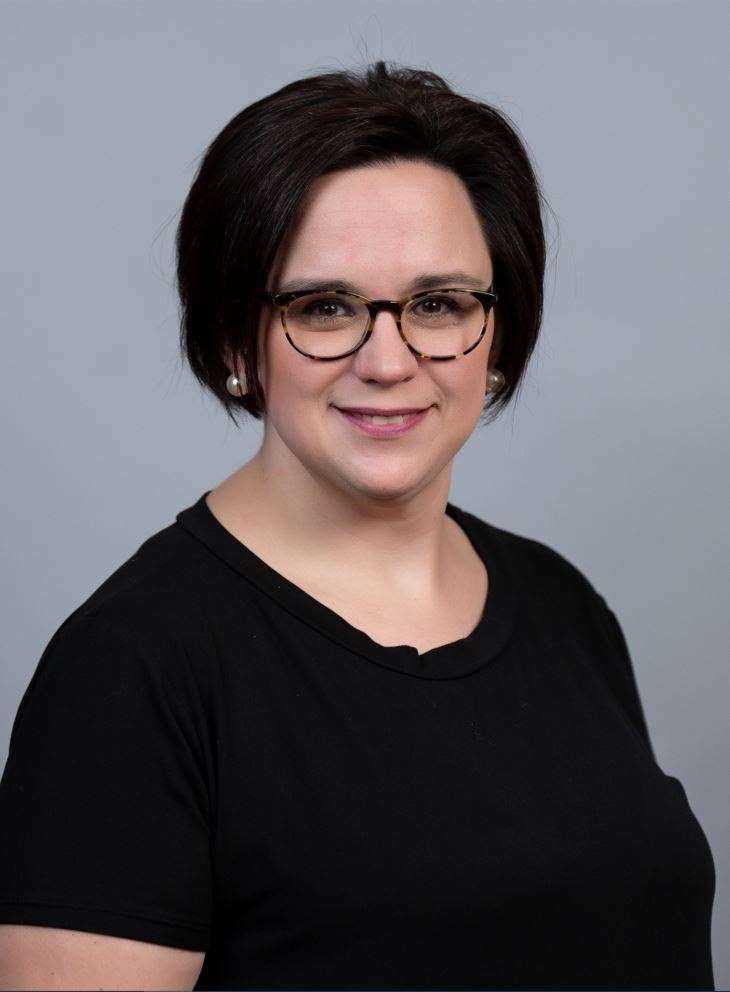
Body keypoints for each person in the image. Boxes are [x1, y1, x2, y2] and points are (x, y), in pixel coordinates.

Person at [0, 60, 715, 991]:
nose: (388, 360)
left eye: (439, 304)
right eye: (325, 306)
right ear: (235, 338)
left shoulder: (562, 606)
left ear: (498, 335)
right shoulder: (134, 669)